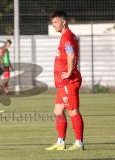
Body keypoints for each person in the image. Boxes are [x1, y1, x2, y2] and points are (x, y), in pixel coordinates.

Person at [45, 10, 84, 151]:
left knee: (73, 111)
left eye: (55, 22)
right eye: (53, 22)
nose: (53, 25)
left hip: (69, 82)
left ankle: (79, 143)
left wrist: (68, 72)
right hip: (63, 84)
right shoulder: (66, 37)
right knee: (58, 110)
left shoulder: (67, 37)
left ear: (63, 21)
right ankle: (60, 142)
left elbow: (71, 55)